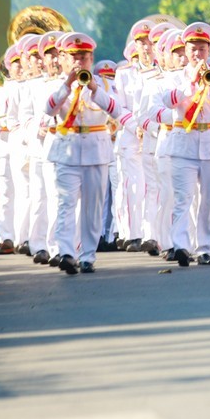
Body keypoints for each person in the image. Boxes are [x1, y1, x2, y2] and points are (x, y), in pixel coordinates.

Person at [155, 23, 210, 268]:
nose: (197, 54)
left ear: (208, 50)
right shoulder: (174, 77)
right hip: (183, 143)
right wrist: (189, 83)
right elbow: (168, 101)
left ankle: (204, 247)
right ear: (186, 49)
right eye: (193, 49)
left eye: (202, 49)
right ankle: (181, 245)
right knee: (183, 197)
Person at [44, 32, 130, 274]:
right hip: (67, 151)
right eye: (74, 57)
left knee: (93, 207)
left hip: (96, 151)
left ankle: (88, 256)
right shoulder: (57, 84)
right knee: (66, 203)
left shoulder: (104, 84)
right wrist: (66, 85)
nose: (78, 63)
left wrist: (93, 89)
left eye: (83, 57)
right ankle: (66, 252)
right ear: (65, 59)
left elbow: (115, 110)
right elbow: (48, 108)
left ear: (91, 59)